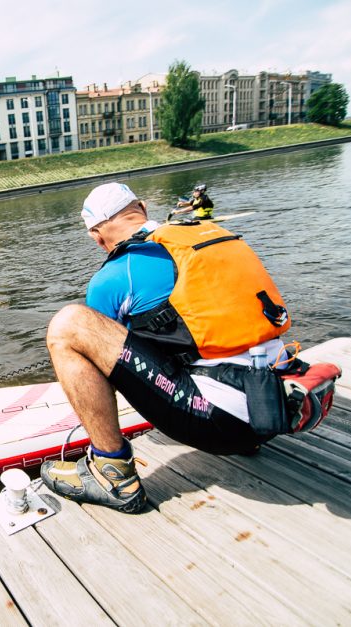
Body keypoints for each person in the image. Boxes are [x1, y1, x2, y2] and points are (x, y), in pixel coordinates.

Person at [41, 182, 294, 513]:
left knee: (69, 325)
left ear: (96, 236)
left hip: (221, 425)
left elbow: (102, 363)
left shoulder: (115, 275)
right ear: (143, 209)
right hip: (275, 406)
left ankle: (111, 472)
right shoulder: (207, 237)